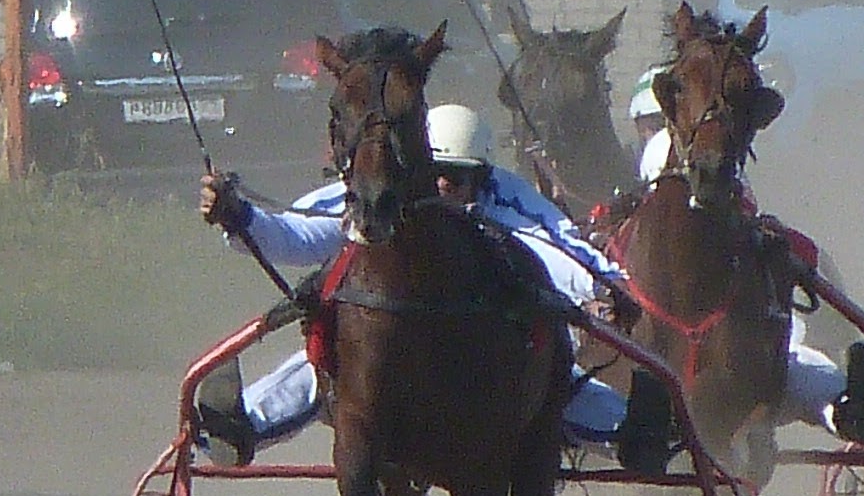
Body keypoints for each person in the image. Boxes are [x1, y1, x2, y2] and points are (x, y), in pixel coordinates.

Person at [189, 101, 701, 465]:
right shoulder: (383, 194)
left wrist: (604, 287)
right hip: (397, 345)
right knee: (329, 355)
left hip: (488, 342)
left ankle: (632, 433)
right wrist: (240, 216)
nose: (440, 186)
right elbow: (298, 230)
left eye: (454, 177)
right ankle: (239, 426)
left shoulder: (504, 198)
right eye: (432, 173)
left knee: (550, 372)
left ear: (480, 177)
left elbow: (554, 242)